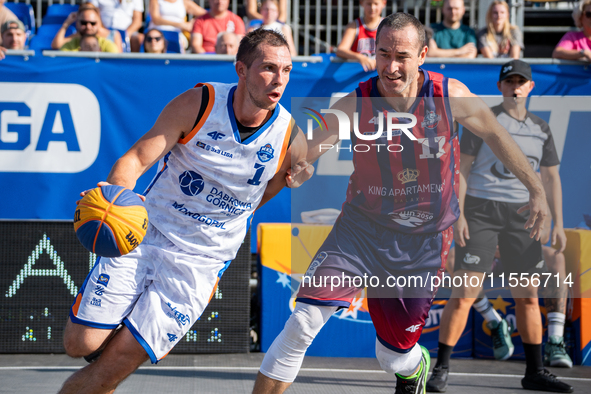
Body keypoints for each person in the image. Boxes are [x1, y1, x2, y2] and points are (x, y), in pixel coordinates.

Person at [253, 13, 552, 394]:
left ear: (423, 55)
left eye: (402, 56)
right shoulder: (357, 102)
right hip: (359, 232)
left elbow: (496, 135)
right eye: (382, 54)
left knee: (393, 357)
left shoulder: (449, 96)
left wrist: (536, 190)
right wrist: (299, 165)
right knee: (303, 323)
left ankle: (415, 366)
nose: (390, 67)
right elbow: (308, 148)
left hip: (423, 243)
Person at [57, 29, 309, 394]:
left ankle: (113, 360)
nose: (280, 80)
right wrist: (113, 195)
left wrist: (294, 179)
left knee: (112, 368)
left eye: (287, 70)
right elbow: (135, 158)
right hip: (148, 233)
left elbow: (260, 195)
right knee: (79, 344)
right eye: (269, 68)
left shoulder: (289, 136)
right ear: (241, 69)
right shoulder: (200, 103)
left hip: (201, 261)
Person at [426, 59, 572, 393]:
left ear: (531, 87)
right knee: (464, 294)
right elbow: (461, 168)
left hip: (523, 217)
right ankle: (441, 369)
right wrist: (459, 214)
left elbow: (551, 177)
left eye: (522, 82)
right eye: (509, 82)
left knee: (529, 297)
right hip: (481, 211)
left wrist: (559, 224)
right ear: (500, 87)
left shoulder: (541, 128)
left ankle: (535, 372)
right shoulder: (484, 120)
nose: (515, 87)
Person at [130, 0, 206, 53]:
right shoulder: (156, 1)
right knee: (143, 39)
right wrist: (181, 24)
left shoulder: (184, 2)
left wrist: (193, 22)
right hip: (156, 33)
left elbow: (205, 14)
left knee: (181, 42)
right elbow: (156, 19)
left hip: (177, 36)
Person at [336, 0, 386, 71]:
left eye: (376, 4)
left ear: (384, 4)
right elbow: (340, 50)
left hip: (381, 76)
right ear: (362, 3)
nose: (372, 8)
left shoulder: (387, 26)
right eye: (369, 4)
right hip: (358, 75)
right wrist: (360, 57)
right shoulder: (354, 26)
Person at [53, 3, 121, 53]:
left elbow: (118, 63)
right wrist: (66, 24)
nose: (88, 27)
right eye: (84, 23)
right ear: (77, 23)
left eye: (92, 23)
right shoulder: (75, 38)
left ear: (99, 22)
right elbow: (56, 45)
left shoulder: (113, 36)